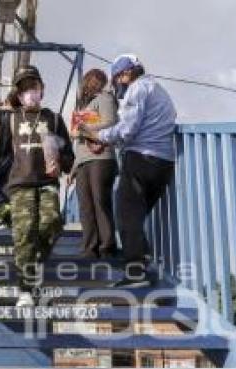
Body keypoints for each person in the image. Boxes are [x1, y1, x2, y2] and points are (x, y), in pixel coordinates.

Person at [0, 65, 74, 307]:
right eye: (24, 89)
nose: (30, 93)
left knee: (52, 222)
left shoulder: (54, 119)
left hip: (47, 183)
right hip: (19, 184)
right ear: (17, 94)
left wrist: (62, 163)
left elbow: (68, 156)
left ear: (42, 89)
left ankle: (32, 268)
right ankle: (25, 289)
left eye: (33, 87)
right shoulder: (10, 120)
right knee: (25, 233)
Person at [80, 54, 177, 288]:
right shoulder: (159, 89)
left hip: (141, 159)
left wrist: (98, 136)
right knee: (135, 215)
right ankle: (143, 263)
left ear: (125, 74)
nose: (118, 84)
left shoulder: (137, 89)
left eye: (118, 78)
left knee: (124, 213)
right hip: (163, 162)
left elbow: (127, 129)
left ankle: (136, 273)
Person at [70, 69, 119, 259]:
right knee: (85, 206)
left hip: (101, 158)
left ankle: (107, 246)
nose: (89, 84)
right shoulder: (84, 106)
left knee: (100, 201)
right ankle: (89, 247)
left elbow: (111, 122)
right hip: (83, 160)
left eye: (93, 81)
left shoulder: (105, 99)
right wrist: (74, 166)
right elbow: (80, 140)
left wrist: (84, 128)